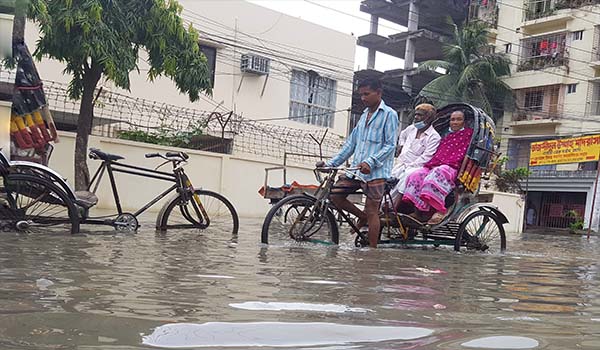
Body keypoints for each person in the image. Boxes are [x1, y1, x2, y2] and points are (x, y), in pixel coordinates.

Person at [316, 78, 398, 248]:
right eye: (361, 95)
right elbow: (351, 145)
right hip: (357, 171)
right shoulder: (363, 117)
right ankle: (362, 217)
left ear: (378, 93)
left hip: (377, 172)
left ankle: (372, 252)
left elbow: (391, 145)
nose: (363, 98)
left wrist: (371, 161)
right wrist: (331, 163)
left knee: (372, 210)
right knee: (335, 195)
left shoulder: (389, 114)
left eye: (366, 94)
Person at [402, 110, 473, 221]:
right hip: (435, 165)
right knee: (416, 174)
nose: (455, 122)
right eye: (452, 119)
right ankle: (418, 211)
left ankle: (439, 210)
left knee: (437, 174)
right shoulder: (446, 136)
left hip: (452, 167)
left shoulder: (469, 135)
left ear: (464, 122)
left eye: (459, 119)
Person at [389, 104, 441, 209]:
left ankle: (392, 206)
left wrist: (410, 166)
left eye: (420, 115)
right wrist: (401, 145)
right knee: (388, 180)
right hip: (401, 163)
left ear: (428, 118)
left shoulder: (434, 137)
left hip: (416, 167)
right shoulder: (411, 128)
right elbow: (402, 135)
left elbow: (426, 157)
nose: (416, 117)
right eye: (416, 114)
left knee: (405, 177)